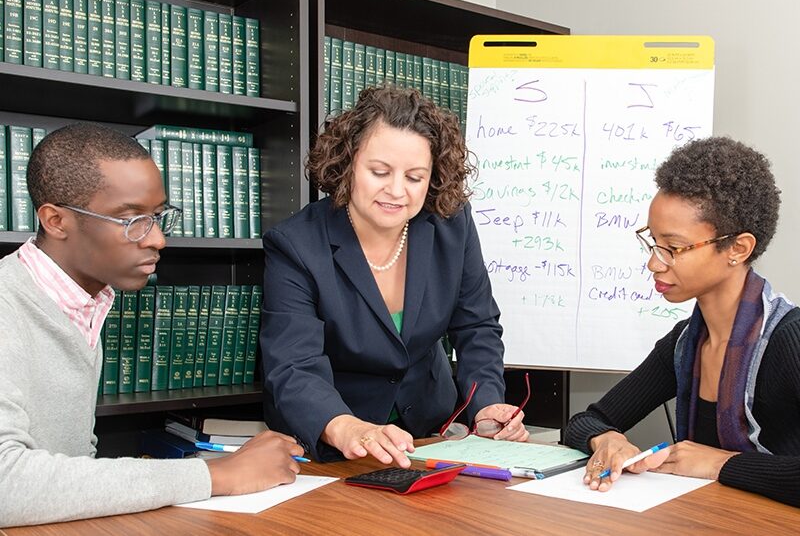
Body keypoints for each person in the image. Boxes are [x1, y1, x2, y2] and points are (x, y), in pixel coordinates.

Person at [0, 123, 304, 527]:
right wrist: (215, 475)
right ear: (56, 221)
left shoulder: (83, 303)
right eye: (131, 220)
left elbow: (72, 459)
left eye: (158, 216)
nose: (157, 239)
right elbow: (7, 485)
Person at [260, 86, 529, 464]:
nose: (396, 191)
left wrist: (484, 405)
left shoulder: (452, 225)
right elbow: (293, 364)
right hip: (332, 445)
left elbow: (477, 325)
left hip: (429, 436)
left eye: (415, 177)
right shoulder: (296, 244)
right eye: (379, 172)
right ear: (348, 161)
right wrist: (345, 426)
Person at [564, 137, 799, 507]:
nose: (654, 263)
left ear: (738, 249)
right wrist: (607, 439)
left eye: (672, 248)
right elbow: (585, 421)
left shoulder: (788, 341)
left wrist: (722, 464)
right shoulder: (686, 342)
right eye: (652, 242)